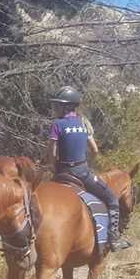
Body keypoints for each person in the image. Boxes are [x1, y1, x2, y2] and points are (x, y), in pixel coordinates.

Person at [46, 85, 131, 251]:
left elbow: (52, 152)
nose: (55, 108)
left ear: (66, 106)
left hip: (61, 173)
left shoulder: (57, 124)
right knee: (112, 200)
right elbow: (95, 149)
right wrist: (86, 163)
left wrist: (53, 167)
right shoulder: (84, 122)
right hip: (82, 172)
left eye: (57, 105)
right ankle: (113, 239)